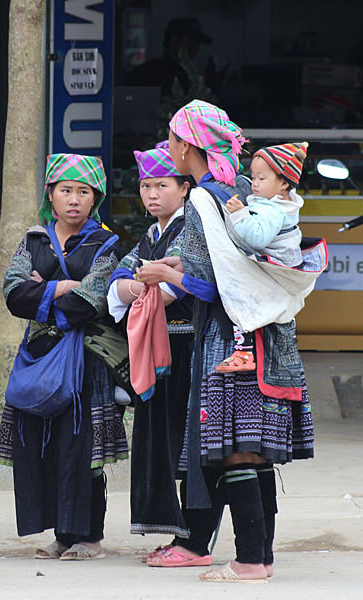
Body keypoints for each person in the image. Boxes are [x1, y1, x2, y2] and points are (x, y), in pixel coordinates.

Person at [136, 99, 316, 583]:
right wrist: (177, 268)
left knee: (237, 448)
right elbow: (231, 264)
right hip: (271, 333)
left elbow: (211, 283)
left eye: (173, 140)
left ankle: (250, 562)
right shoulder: (243, 188)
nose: (170, 149)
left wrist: (160, 272)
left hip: (229, 339)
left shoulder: (201, 198)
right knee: (254, 450)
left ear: (186, 145)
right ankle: (260, 557)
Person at [0, 153, 128, 561]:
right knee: (44, 445)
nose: (73, 199)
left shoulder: (106, 244)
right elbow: (13, 292)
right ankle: (62, 534)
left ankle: (89, 537)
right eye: (65, 190)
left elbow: (91, 302)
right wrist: (61, 287)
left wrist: (46, 289)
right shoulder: (34, 239)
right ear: (50, 195)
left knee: (83, 450)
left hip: (89, 361)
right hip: (40, 358)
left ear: (95, 198)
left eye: (83, 192)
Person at [106, 144, 212, 568]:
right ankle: (178, 535)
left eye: (162, 185)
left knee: (187, 447)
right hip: (154, 349)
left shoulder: (190, 231)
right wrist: (138, 287)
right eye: (146, 186)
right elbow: (117, 283)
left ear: (184, 188)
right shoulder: (151, 237)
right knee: (163, 446)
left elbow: (173, 290)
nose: (151, 194)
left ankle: (194, 540)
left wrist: (142, 286)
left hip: (187, 349)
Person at [216, 141, 308, 373]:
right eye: (253, 177)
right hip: (284, 268)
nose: (254, 184)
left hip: (273, 269)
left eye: (261, 179)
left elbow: (257, 238)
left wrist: (239, 214)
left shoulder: (272, 209)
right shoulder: (281, 204)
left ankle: (244, 352)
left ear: (284, 183)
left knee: (242, 300)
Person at [129, 18, 212, 95]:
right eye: (190, 41)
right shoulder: (147, 74)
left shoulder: (194, 77)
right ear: (174, 39)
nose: (195, 47)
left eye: (197, 42)